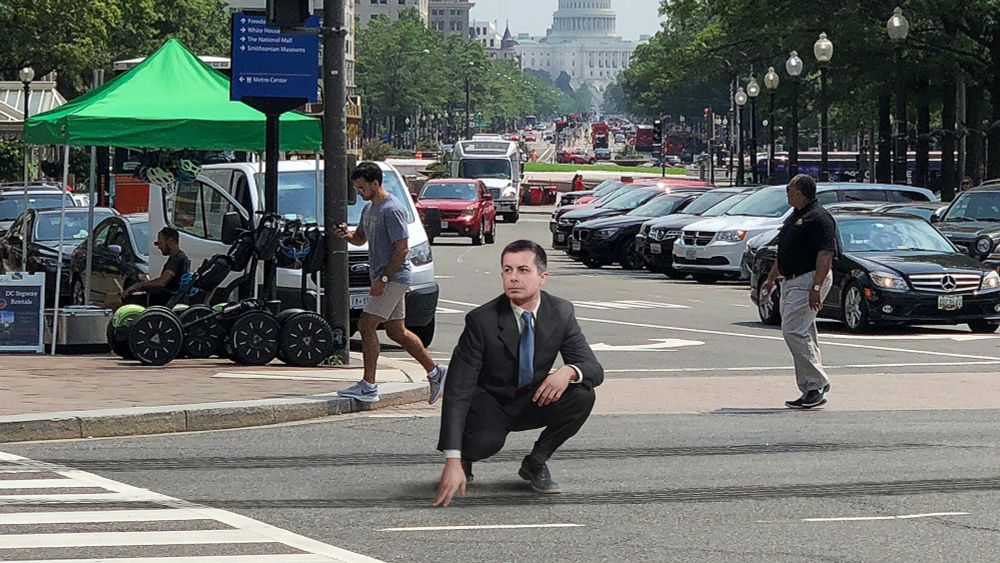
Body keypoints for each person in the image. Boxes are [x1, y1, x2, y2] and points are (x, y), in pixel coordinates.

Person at [433, 240, 603, 507]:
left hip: (533, 399)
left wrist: (569, 370)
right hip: (490, 402)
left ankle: (536, 462)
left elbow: (593, 368)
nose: (513, 277)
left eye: (523, 270)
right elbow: (458, 389)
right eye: (507, 270)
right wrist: (452, 458)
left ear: (542, 277)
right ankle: (468, 456)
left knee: (583, 396)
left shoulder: (561, 312)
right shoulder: (481, 321)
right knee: (485, 444)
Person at [335, 161, 446, 404]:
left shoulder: (392, 208)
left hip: (394, 277)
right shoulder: (369, 209)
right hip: (384, 277)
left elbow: (402, 249)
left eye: (363, 187)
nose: (360, 192)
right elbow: (360, 238)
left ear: (376, 183)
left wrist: (383, 279)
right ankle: (436, 372)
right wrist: (347, 234)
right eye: (357, 188)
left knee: (365, 325)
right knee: (396, 332)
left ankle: (368, 386)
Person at [761, 174, 838, 410]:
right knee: (804, 331)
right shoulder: (795, 217)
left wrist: (816, 287)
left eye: (790, 189)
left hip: (808, 278)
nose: (787, 193)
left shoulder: (819, 218)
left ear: (802, 192)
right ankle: (810, 387)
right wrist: (771, 278)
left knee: (793, 331)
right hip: (791, 280)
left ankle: (816, 384)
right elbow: (785, 251)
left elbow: (825, 255)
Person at [122, 227, 189, 307]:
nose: (159, 247)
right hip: (164, 296)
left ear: (170, 241)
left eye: (160, 243)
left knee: (121, 300)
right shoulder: (179, 257)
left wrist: (137, 286)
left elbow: (161, 282)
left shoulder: (176, 259)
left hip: (163, 299)